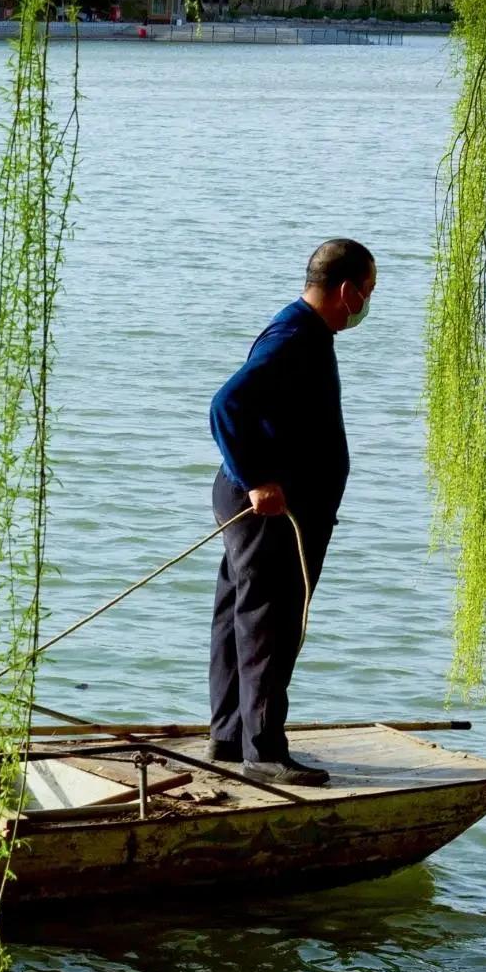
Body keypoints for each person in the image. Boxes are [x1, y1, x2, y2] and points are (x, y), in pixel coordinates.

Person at [206, 239, 376, 787]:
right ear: (347, 290)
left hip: (263, 506)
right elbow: (227, 403)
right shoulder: (294, 337)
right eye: (367, 292)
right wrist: (256, 478)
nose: (367, 304)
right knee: (268, 622)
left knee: (242, 613)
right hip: (265, 509)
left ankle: (230, 737)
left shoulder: (304, 332)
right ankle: (264, 751)